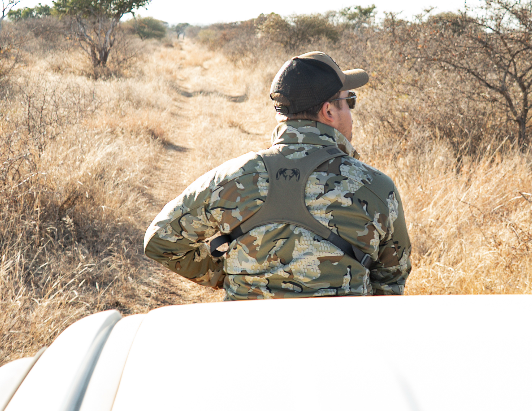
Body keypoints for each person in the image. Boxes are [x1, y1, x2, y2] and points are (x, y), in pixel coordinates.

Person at [144, 51, 411, 299]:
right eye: (348, 101)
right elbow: (391, 280)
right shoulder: (376, 187)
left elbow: (161, 239)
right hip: (339, 342)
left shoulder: (234, 177)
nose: (351, 111)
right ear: (328, 111)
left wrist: (227, 274)